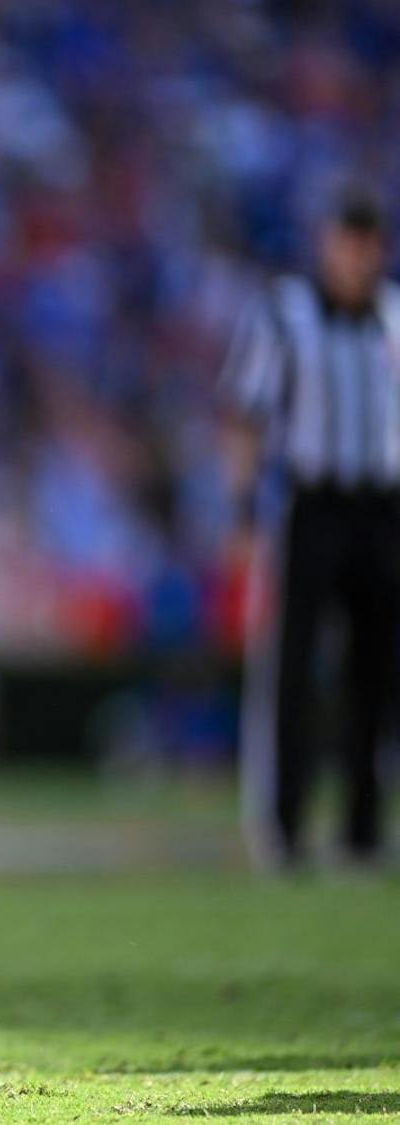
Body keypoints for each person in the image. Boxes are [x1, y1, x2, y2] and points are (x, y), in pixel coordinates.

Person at [224, 182, 400, 870]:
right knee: (292, 669)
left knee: (375, 671)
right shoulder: (286, 314)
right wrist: (242, 509)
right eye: (347, 241)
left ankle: (362, 829)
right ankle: (285, 827)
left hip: (382, 509)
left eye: (367, 243)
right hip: (314, 504)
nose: (357, 257)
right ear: (328, 244)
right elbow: (245, 415)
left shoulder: (392, 317)